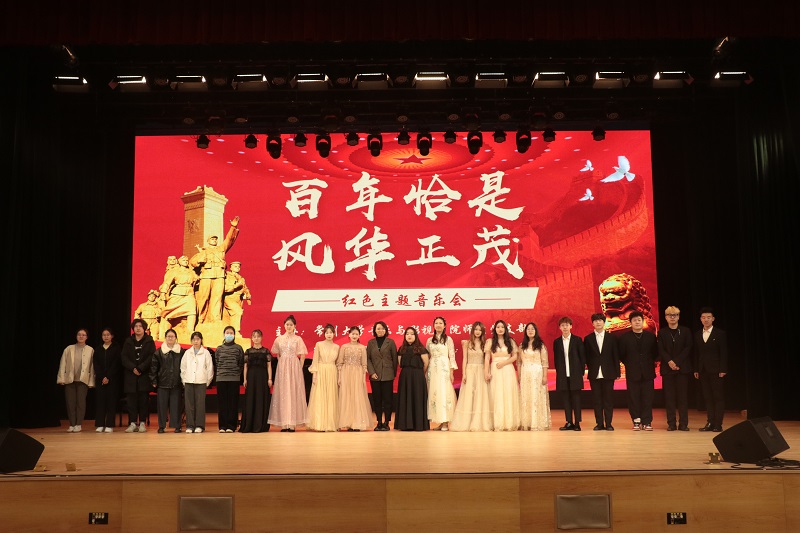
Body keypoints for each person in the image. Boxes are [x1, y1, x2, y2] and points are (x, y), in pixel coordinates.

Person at [190, 216, 240, 324]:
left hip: (219, 275)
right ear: (208, 241)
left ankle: (215, 318)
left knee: (217, 297)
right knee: (203, 297)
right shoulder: (204, 251)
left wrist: (233, 227)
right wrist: (199, 261)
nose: (214, 240)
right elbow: (193, 262)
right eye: (212, 239)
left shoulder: (221, 248)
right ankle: (201, 318)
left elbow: (229, 240)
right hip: (206, 275)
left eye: (216, 239)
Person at [618, 310, 658, 431]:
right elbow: (622, 355)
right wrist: (630, 364)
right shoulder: (624, 338)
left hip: (648, 372)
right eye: (634, 320)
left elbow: (655, 353)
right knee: (633, 398)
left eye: (639, 320)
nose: (637, 322)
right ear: (630, 322)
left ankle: (647, 421)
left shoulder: (651, 337)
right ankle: (636, 420)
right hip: (632, 372)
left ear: (643, 321)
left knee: (648, 398)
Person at [268, 315, 308, 431]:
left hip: (294, 367)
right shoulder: (279, 339)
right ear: (284, 325)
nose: (289, 326)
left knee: (293, 393)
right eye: (287, 324)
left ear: (295, 326)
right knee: (283, 393)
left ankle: (292, 424)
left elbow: (303, 355)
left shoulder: (298, 339)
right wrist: (282, 363)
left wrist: (299, 367)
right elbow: (277, 354)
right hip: (283, 368)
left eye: (291, 325)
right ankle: (284, 423)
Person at [450, 322, 493, 432]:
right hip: (470, 370)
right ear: (472, 330)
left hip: (481, 370)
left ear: (482, 332)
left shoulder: (486, 343)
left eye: (480, 330)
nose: (477, 332)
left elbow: (487, 359)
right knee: (469, 396)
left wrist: (486, 372)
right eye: (476, 329)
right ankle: (466, 423)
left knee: (480, 396)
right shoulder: (467, 343)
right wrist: (464, 374)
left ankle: (479, 422)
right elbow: (465, 359)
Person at [658, 306, 693, 431]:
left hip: (682, 368)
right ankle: (671, 423)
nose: (672, 317)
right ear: (666, 317)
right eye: (670, 315)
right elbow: (661, 349)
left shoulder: (685, 331)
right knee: (669, 398)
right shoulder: (662, 332)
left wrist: (676, 362)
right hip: (667, 369)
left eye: (675, 315)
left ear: (678, 317)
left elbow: (688, 348)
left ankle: (683, 424)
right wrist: (670, 362)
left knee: (683, 398)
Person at [693, 307, 728, 432]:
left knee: (718, 397)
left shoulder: (720, 333)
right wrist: (696, 369)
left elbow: (724, 352)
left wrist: (723, 369)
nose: (706, 320)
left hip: (716, 370)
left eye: (708, 317)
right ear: (700, 319)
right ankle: (710, 422)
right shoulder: (697, 334)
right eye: (703, 317)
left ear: (713, 319)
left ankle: (718, 424)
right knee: (707, 398)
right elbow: (696, 353)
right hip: (703, 370)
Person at [584, 313, 620, 431]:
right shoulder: (588, 338)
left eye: (600, 320)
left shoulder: (612, 338)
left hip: (609, 373)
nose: (598, 322)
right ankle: (599, 423)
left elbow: (615, 355)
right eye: (595, 321)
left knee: (608, 400)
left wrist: (617, 372)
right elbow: (586, 356)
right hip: (594, 373)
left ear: (604, 322)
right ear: (592, 323)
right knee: (597, 400)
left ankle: (608, 423)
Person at [56, 328, 96, 432]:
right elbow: (63, 363)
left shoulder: (90, 350)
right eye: (79, 334)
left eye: (83, 335)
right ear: (76, 336)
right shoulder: (69, 348)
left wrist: (91, 381)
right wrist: (61, 378)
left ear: (87, 337)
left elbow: (92, 367)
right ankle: (72, 424)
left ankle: (78, 424)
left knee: (81, 403)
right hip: (70, 380)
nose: (81, 336)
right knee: (70, 403)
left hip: (83, 380)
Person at [121, 319, 156, 433]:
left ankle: (142, 423)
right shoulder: (128, 341)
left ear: (144, 328)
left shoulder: (149, 341)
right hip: (131, 375)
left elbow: (151, 356)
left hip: (143, 375)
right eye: (136, 326)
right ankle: (132, 423)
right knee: (131, 401)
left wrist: (141, 368)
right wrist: (133, 368)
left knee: (143, 401)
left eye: (140, 326)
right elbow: (124, 357)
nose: (138, 328)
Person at [485, 320, 520, 431]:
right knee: (496, 394)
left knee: (507, 394)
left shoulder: (510, 341)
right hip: (495, 370)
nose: (500, 329)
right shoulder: (490, 341)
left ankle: (508, 423)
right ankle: (497, 423)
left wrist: (504, 363)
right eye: (498, 327)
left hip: (508, 369)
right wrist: (486, 372)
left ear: (505, 329)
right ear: (494, 329)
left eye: (502, 327)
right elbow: (487, 358)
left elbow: (515, 357)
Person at [553, 317, 586, 431]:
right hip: (563, 375)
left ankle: (577, 423)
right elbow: (556, 360)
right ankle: (569, 422)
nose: (565, 327)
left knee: (576, 400)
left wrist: (580, 372)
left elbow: (582, 358)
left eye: (567, 325)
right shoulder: (557, 342)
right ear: (559, 327)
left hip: (575, 374)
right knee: (566, 400)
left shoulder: (577, 340)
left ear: (571, 326)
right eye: (562, 325)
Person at [336, 326, 372, 431]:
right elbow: (339, 363)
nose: (354, 336)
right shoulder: (344, 347)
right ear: (349, 335)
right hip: (345, 373)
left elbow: (364, 364)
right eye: (353, 334)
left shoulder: (362, 348)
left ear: (359, 335)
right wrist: (339, 377)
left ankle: (357, 423)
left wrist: (363, 378)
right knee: (347, 397)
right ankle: (347, 423)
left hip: (357, 374)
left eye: (356, 334)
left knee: (357, 397)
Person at [425, 316, 458, 431]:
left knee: (444, 393)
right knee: (434, 393)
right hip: (433, 369)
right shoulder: (429, 340)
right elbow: (427, 356)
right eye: (436, 323)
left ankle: (445, 422)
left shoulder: (448, 339)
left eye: (440, 323)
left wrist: (452, 372)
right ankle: (439, 421)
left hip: (444, 368)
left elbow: (452, 356)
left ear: (444, 326)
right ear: (433, 326)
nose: (438, 325)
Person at [150, 328, 185, 433]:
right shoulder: (159, 352)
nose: (170, 338)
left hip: (176, 383)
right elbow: (153, 367)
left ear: (176, 338)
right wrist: (153, 380)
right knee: (162, 406)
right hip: (162, 383)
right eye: (168, 336)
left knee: (176, 406)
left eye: (172, 336)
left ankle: (177, 426)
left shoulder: (181, 351)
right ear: (165, 338)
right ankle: (162, 426)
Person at [395, 327, 430, 431]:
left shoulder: (421, 348)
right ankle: (404, 424)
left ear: (416, 336)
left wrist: (419, 373)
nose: (409, 336)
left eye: (412, 334)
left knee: (417, 398)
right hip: (405, 376)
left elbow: (426, 364)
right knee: (405, 398)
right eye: (407, 334)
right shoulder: (401, 349)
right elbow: (400, 363)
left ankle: (418, 424)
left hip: (418, 376)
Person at [518, 322, 551, 431]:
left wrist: (545, 376)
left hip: (537, 373)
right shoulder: (522, 345)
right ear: (525, 331)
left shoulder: (540, 345)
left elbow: (545, 362)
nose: (530, 331)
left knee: (536, 396)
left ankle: (537, 422)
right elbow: (519, 362)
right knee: (526, 397)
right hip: (525, 373)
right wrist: (519, 375)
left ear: (536, 331)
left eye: (532, 329)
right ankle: (526, 422)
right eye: (528, 329)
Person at [158, 255, 199, 342]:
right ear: (179, 262)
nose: (186, 261)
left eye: (187, 260)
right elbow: (167, 283)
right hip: (177, 294)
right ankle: (164, 333)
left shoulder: (191, 272)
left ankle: (190, 331)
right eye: (183, 260)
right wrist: (163, 293)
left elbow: (197, 280)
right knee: (168, 313)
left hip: (189, 293)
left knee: (192, 311)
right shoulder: (175, 271)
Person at [307, 324, 340, 432]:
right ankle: (320, 424)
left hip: (332, 372)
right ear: (324, 334)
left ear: (334, 334)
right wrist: (314, 376)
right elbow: (315, 360)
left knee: (331, 396)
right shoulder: (319, 344)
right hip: (321, 371)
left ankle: (331, 424)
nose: (329, 334)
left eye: (331, 332)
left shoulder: (337, 347)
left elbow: (338, 363)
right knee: (320, 396)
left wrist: (339, 377)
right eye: (327, 332)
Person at [366, 321, 397, 431]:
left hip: (388, 375)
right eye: (378, 328)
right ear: (375, 330)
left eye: (383, 328)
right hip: (375, 375)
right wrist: (372, 372)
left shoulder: (390, 342)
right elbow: (368, 359)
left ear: (386, 330)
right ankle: (379, 422)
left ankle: (387, 422)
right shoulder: (371, 343)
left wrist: (392, 373)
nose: (380, 330)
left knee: (388, 400)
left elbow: (394, 359)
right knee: (377, 400)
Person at [240, 329, 273, 433]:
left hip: (263, 377)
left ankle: (261, 425)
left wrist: (270, 378)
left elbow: (269, 366)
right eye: (254, 336)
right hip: (251, 377)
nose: (256, 338)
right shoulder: (248, 351)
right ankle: (250, 424)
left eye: (258, 336)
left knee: (261, 399)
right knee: (251, 399)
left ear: (261, 338)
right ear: (252, 338)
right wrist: (245, 379)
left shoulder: (266, 351)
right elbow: (245, 367)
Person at [180, 331, 214, 433]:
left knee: (200, 405)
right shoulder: (187, 353)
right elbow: (183, 367)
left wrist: (207, 382)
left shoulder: (206, 353)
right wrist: (184, 380)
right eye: (194, 339)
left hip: (201, 382)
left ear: (201, 340)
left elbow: (210, 368)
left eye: (198, 339)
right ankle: (190, 426)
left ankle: (199, 425)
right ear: (191, 341)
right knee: (189, 405)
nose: (196, 341)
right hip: (189, 381)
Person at [215, 325, 244, 432]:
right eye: (227, 333)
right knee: (222, 404)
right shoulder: (219, 349)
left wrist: (236, 373)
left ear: (234, 335)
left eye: (231, 333)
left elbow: (241, 363)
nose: (229, 335)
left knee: (233, 403)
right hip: (221, 379)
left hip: (234, 379)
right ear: (224, 334)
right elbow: (217, 362)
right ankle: (222, 426)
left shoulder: (238, 348)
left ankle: (231, 426)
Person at [93, 327, 121, 433]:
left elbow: (116, 363)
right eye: (104, 335)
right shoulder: (98, 349)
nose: (106, 337)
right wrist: (102, 377)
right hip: (100, 380)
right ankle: (100, 424)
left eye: (108, 335)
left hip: (112, 379)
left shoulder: (116, 348)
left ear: (112, 336)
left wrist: (108, 377)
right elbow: (96, 364)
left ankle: (109, 424)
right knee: (100, 402)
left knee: (111, 402)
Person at [222, 261, 251, 334]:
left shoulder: (241, 278)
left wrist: (247, 294)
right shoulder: (227, 276)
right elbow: (224, 288)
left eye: (238, 267)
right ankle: (236, 331)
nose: (237, 268)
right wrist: (236, 285)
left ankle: (231, 332)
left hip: (238, 300)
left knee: (234, 316)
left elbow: (245, 288)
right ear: (231, 268)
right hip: (229, 298)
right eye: (235, 266)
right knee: (238, 312)